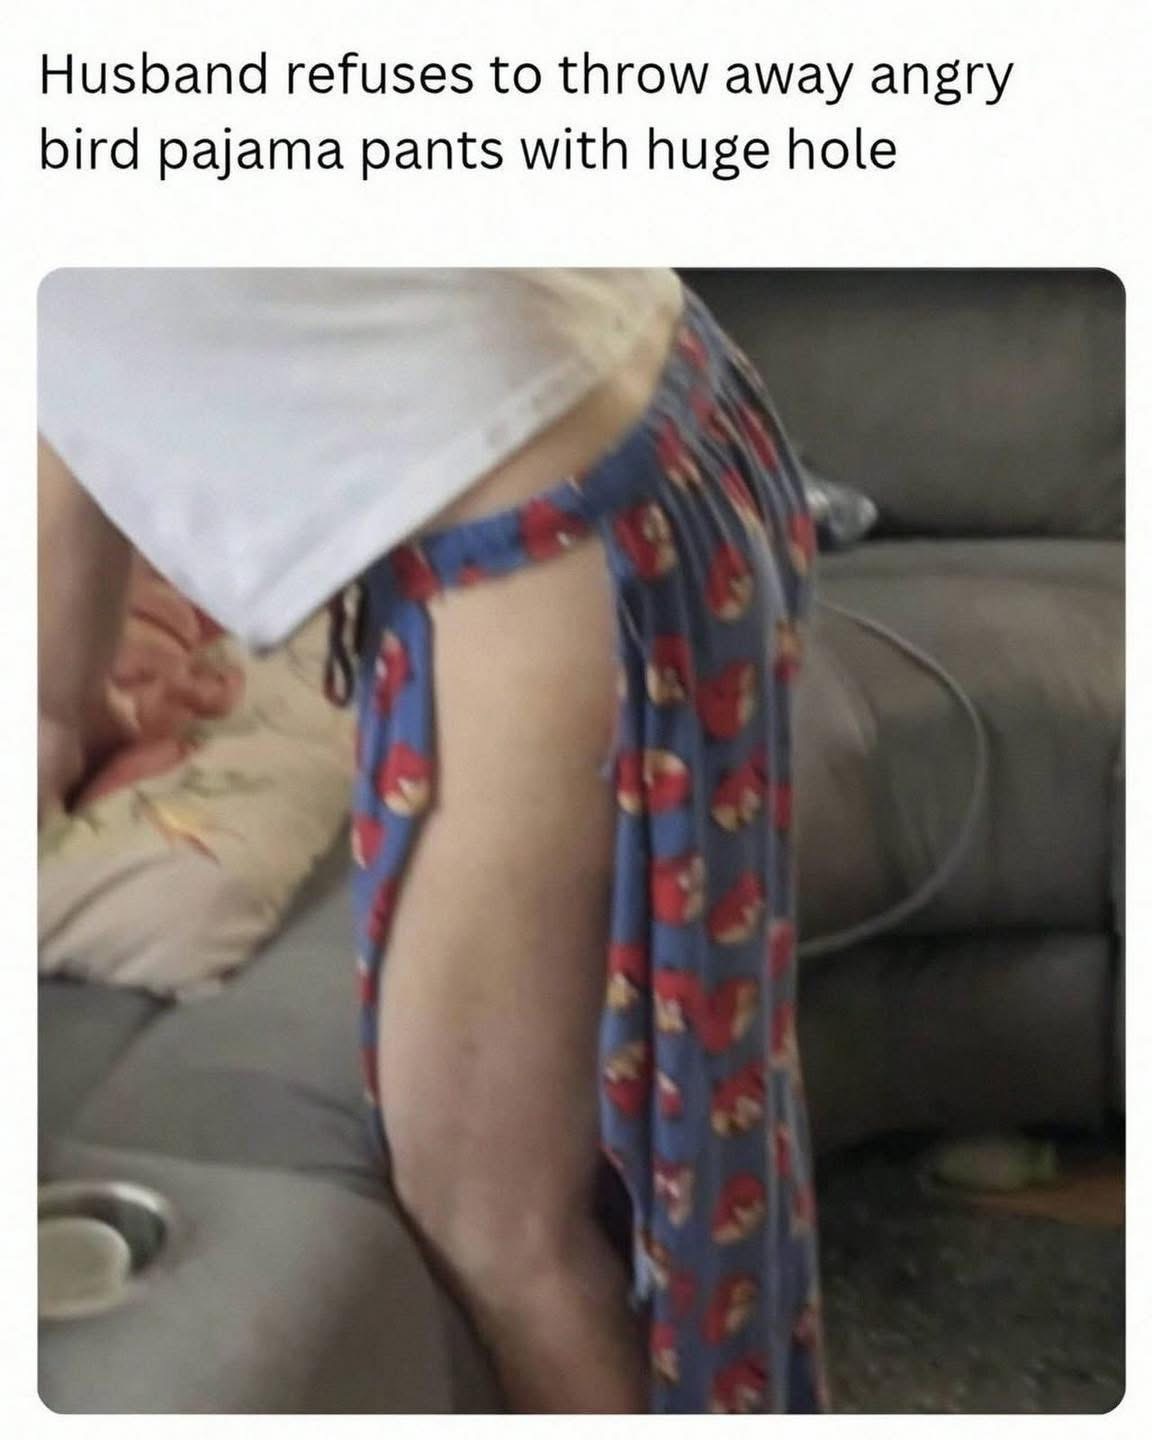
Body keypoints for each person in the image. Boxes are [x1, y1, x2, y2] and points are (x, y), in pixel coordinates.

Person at [37, 268, 829, 1414]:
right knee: (620, 1172)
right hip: (658, 399)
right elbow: (61, 383)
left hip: (553, 521)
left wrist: (59, 708)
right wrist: (62, 699)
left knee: (495, 1224)